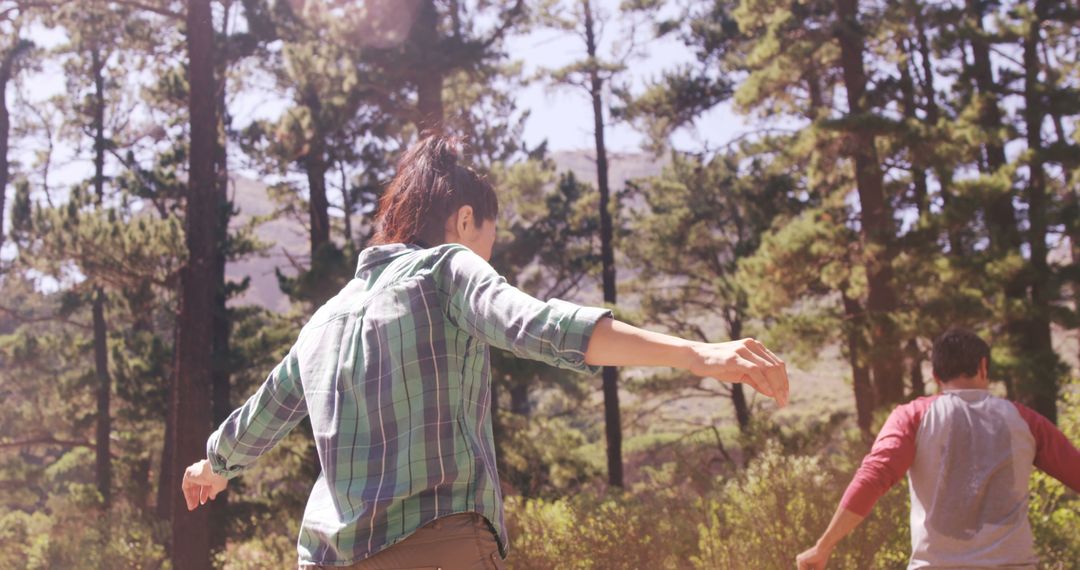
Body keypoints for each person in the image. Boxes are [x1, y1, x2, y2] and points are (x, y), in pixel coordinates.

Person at [181, 134, 790, 569]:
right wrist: (695, 354)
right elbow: (540, 325)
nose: (487, 262)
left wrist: (213, 466)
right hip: (438, 547)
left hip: (325, 557)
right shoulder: (448, 269)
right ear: (465, 219)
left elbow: (264, 413)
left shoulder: (325, 319)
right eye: (488, 245)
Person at [796, 328, 1080, 570]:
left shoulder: (913, 417)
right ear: (983, 367)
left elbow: (873, 477)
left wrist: (824, 546)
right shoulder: (1027, 422)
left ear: (935, 375)